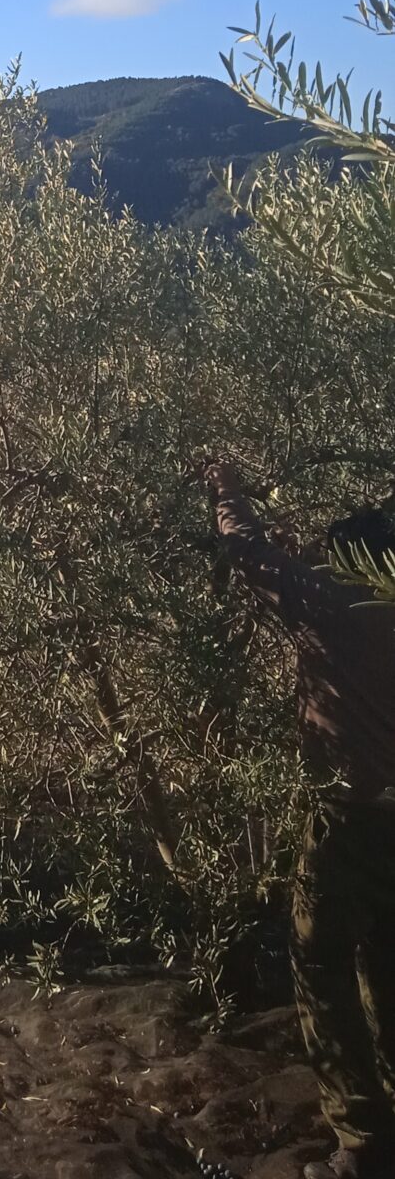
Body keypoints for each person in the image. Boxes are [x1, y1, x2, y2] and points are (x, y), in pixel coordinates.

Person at [203, 461, 395, 1179]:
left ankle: (363, 1145)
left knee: (319, 965)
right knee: (389, 963)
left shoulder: (328, 605)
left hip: (348, 822)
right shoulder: (356, 600)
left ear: (349, 564)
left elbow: (246, 550)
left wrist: (226, 490)